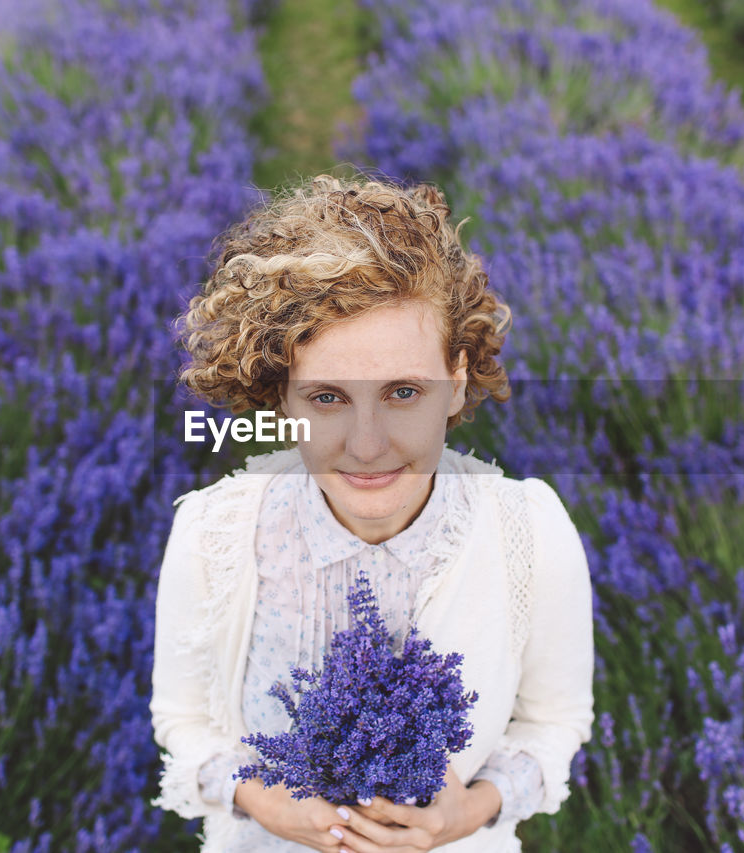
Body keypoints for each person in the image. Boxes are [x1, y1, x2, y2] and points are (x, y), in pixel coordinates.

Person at [150, 174, 594, 853]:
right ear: (282, 400)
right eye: (327, 397)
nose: (365, 444)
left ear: (458, 379)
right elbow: (182, 722)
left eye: (403, 391)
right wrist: (263, 802)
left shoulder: (527, 533)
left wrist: (466, 813)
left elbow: (553, 722)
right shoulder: (217, 534)